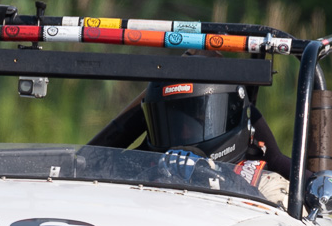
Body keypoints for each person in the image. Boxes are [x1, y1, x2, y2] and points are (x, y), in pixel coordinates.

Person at [87, 81, 292, 206]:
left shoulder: (266, 184)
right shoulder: (141, 172)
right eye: (173, 124)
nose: (183, 136)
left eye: (197, 123)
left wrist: (220, 180)